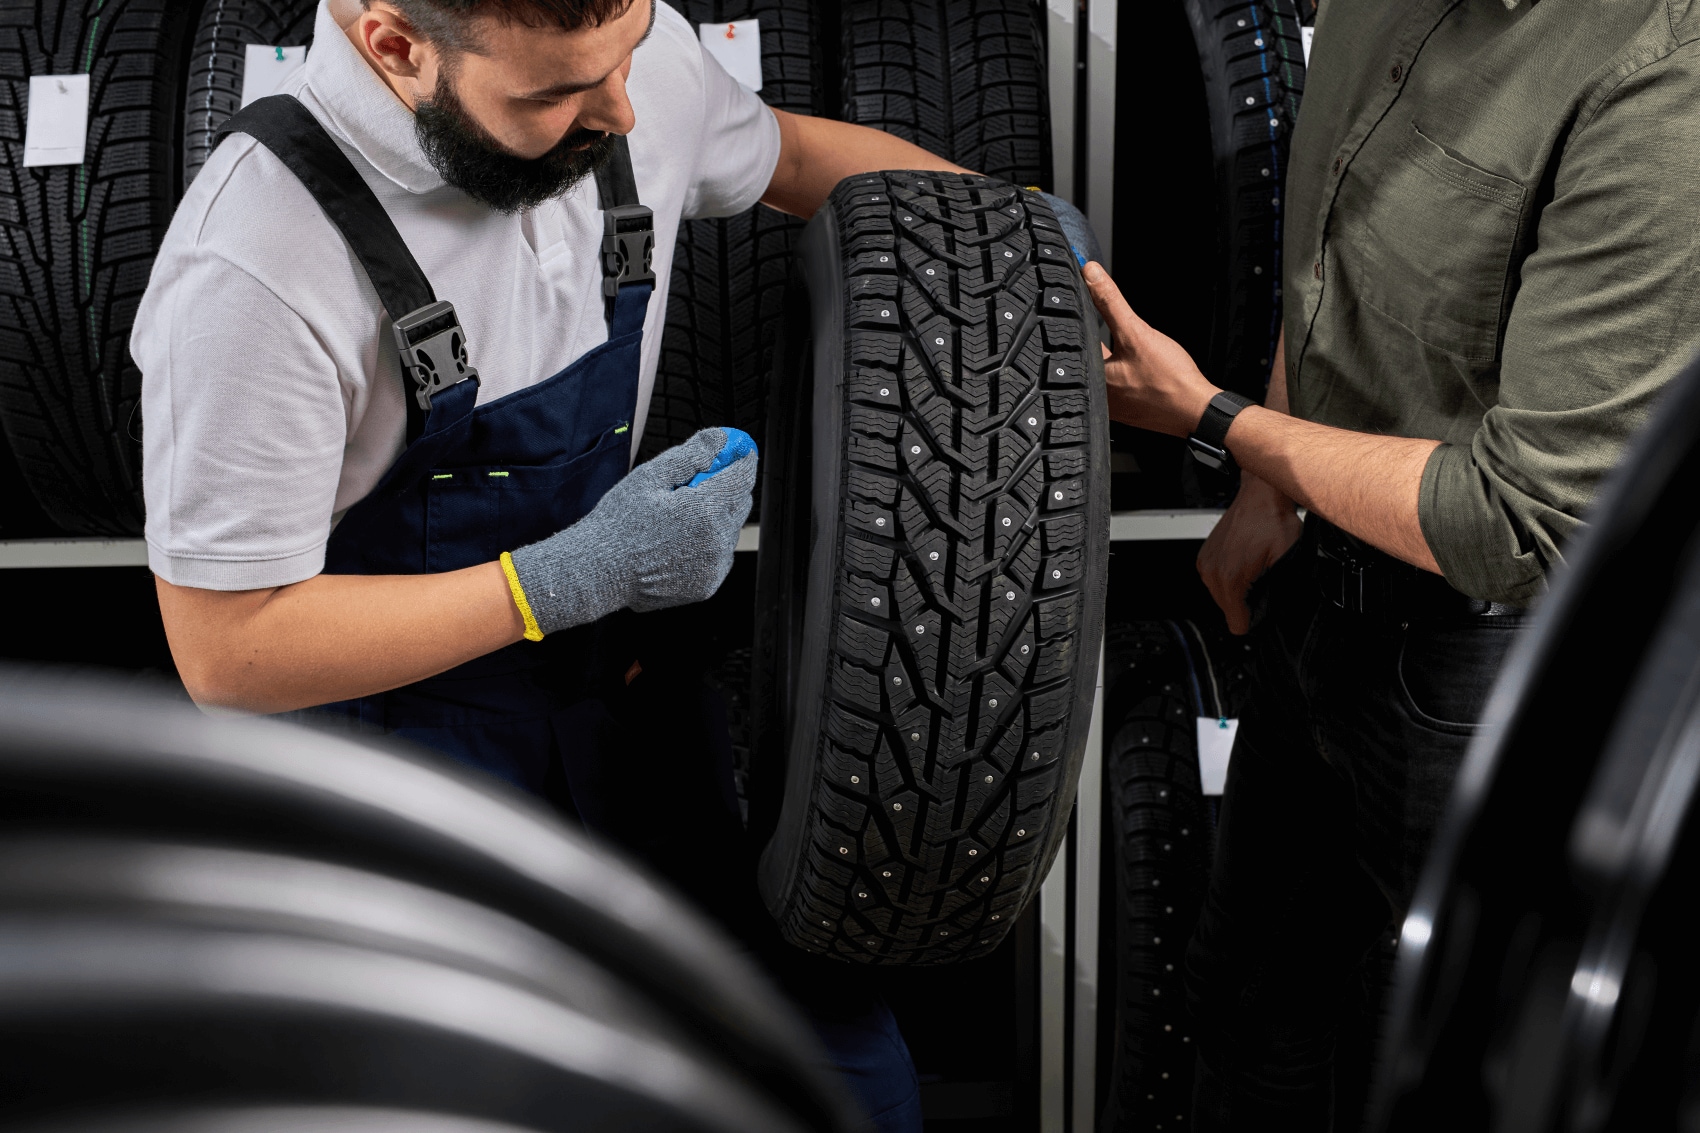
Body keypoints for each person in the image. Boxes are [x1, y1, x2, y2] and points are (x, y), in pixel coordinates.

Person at [134, 1, 973, 1127]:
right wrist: (563, 577)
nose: (623, 108)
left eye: (625, 58)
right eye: (554, 95)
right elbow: (228, 649)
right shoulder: (257, 259)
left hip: (623, 721)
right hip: (398, 788)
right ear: (395, 45)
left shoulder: (618, 62)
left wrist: (996, 230)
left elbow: (792, 154)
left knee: (837, 1087)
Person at [1083, 0, 1700, 1127]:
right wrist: (1269, 483)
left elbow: (1518, 521)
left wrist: (1212, 421)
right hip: (1317, 599)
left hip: (1485, 669)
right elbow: (1333, 249)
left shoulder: (1662, 88)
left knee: (1463, 1077)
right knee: (1247, 1020)